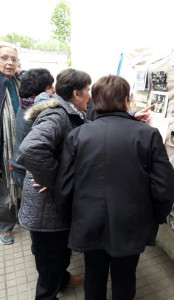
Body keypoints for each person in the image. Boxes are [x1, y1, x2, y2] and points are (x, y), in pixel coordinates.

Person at [53, 75, 174, 300]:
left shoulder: (77, 135)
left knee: (94, 275)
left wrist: (70, 217)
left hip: (88, 220)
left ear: (94, 100)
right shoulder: (147, 134)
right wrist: (157, 216)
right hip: (131, 222)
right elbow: (164, 184)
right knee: (125, 276)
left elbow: (65, 186)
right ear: (126, 100)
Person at [16, 68, 91, 299]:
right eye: (88, 90)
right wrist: (54, 179)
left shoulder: (67, 111)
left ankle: (62, 279)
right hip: (45, 207)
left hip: (53, 205)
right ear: (76, 93)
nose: (90, 95)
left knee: (59, 253)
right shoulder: (57, 115)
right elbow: (31, 148)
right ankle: (49, 291)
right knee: (49, 261)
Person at [9, 68, 55, 189]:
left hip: (18, 165)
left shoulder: (24, 103)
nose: (54, 90)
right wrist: (44, 176)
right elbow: (34, 148)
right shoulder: (40, 109)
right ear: (39, 90)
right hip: (29, 171)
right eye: (50, 87)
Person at [0, 44, 20, 245]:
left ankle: (16, 215)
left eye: (13, 59)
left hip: (17, 143)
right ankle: (5, 226)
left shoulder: (16, 82)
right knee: (5, 188)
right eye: (4, 58)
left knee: (17, 183)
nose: (9, 63)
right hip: (2, 146)